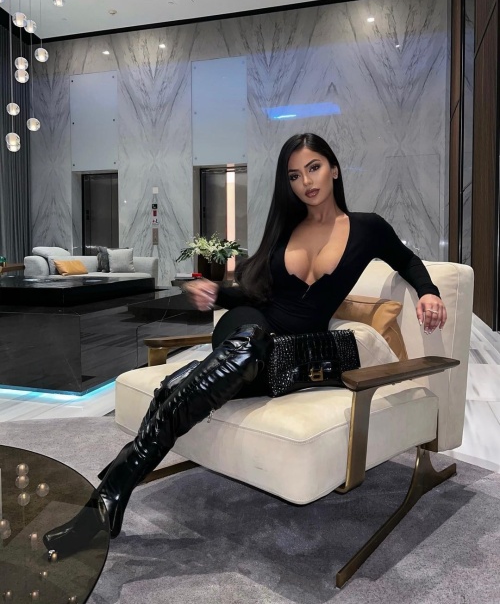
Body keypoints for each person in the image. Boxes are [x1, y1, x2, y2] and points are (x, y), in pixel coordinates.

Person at [43, 133, 446, 557]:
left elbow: (407, 260)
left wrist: (429, 291)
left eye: (313, 168)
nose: (306, 181)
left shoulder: (367, 228)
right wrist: (216, 292)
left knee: (176, 387)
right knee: (248, 341)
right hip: (248, 325)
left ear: (334, 169)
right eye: (294, 175)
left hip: (284, 351)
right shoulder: (285, 229)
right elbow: (256, 293)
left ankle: (107, 499)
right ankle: (107, 501)